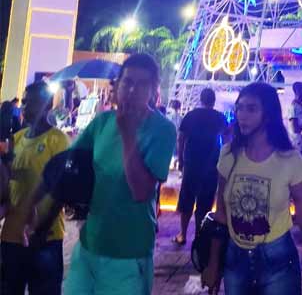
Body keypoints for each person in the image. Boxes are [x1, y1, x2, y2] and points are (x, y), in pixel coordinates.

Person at [200, 82, 302, 295]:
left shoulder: (290, 160)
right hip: (235, 260)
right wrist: (214, 263)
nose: (242, 115)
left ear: (269, 114)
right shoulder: (228, 154)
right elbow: (221, 214)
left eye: (251, 108)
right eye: (240, 108)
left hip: (278, 261)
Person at [64, 54, 176, 295]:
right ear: (118, 85)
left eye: (142, 83)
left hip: (128, 252)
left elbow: (142, 191)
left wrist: (128, 135)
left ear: (154, 89)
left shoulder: (163, 130)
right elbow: (70, 164)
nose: (133, 89)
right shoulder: (102, 122)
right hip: (89, 244)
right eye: (127, 82)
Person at [1, 81, 69, 294]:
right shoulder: (17, 139)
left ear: (47, 104)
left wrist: (39, 227)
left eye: (32, 102)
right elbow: (6, 182)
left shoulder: (58, 140)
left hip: (44, 238)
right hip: (11, 236)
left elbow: (62, 188)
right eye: (25, 101)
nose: (26, 107)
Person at [173, 87, 228, 246]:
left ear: (201, 99)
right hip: (211, 164)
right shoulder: (219, 117)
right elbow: (226, 139)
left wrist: (181, 160)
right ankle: (199, 234)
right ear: (213, 100)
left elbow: (181, 138)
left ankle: (183, 234)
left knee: (187, 200)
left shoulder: (191, 116)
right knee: (205, 201)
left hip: (192, 163)